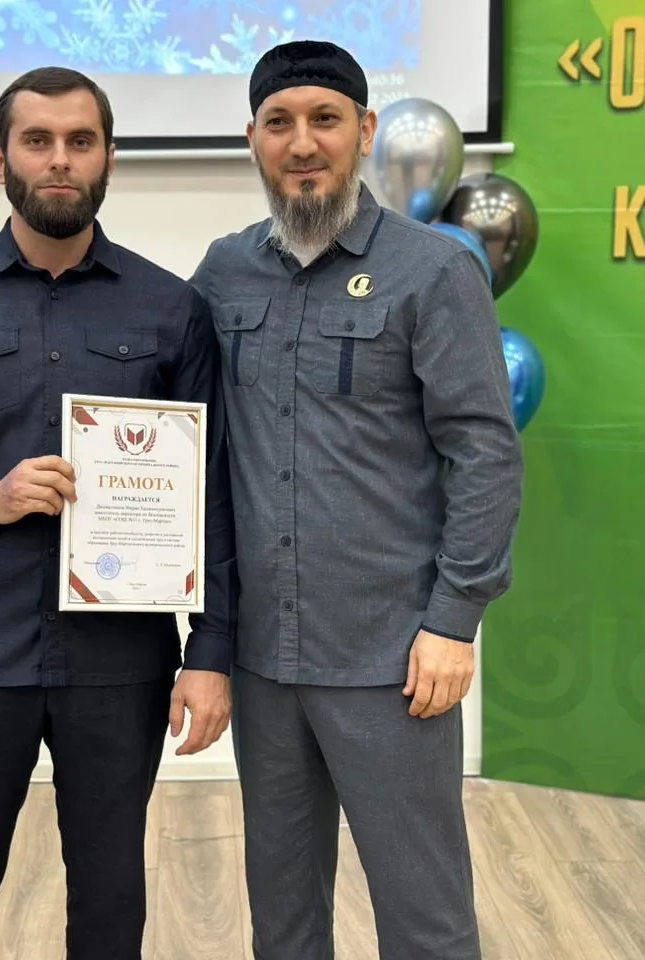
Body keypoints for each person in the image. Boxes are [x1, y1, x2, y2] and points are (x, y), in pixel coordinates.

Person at [0, 65, 237, 960]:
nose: (60, 160)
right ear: (0, 159)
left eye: (80, 141)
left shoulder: (172, 309)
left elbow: (210, 494)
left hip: (121, 663)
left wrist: (209, 650)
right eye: (38, 141)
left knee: (111, 905)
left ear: (108, 158)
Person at [186, 40, 523, 959]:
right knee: (282, 919)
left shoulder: (434, 271)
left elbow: (486, 454)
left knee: (425, 920)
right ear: (252, 139)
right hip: (265, 663)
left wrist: (454, 621)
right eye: (280, 123)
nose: (303, 143)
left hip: (393, 662)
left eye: (325, 120)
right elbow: (147, 376)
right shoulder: (222, 273)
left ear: (365, 131)